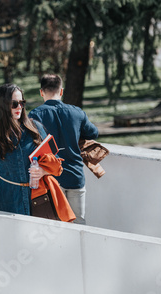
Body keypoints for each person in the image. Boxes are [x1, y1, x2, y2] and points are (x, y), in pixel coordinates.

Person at [28, 74, 98, 224]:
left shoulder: (35, 115)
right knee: (79, 224)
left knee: (54, 225)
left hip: (50, 179)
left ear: (41, 92)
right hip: (75, 176)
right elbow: (93, 133)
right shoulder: (77, 112)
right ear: (61, 91)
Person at [0, 83, 49, 215]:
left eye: (21, 103)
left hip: (37, 198)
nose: (19, 107)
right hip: (5, 200)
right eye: (14, 104)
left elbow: (56, 160)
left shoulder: (35, 128)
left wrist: (43, 171)